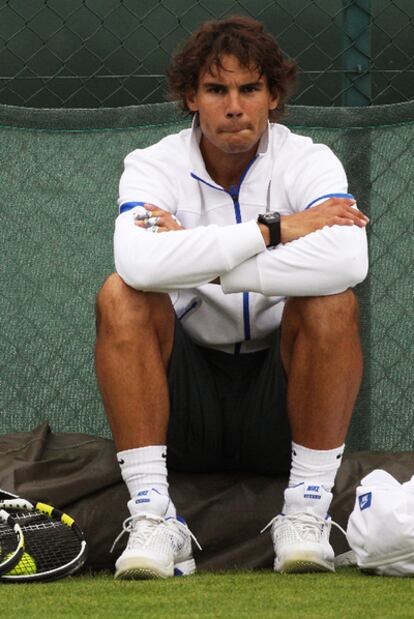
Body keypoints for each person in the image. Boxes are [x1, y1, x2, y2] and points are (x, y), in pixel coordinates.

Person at [95, 16, 369, 579]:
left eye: (249, 89)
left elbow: (348, 260)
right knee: (121, 295)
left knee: (332, 299)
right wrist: (275, 231)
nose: (234, 106)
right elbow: (139, 262)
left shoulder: (310, 160)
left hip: (282, 398)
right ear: (191, 97)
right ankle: (152, 518)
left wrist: (206, 266)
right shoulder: (152, 164)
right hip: (185, 401)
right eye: (217, 90)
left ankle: (307, 515)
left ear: (273, 95)